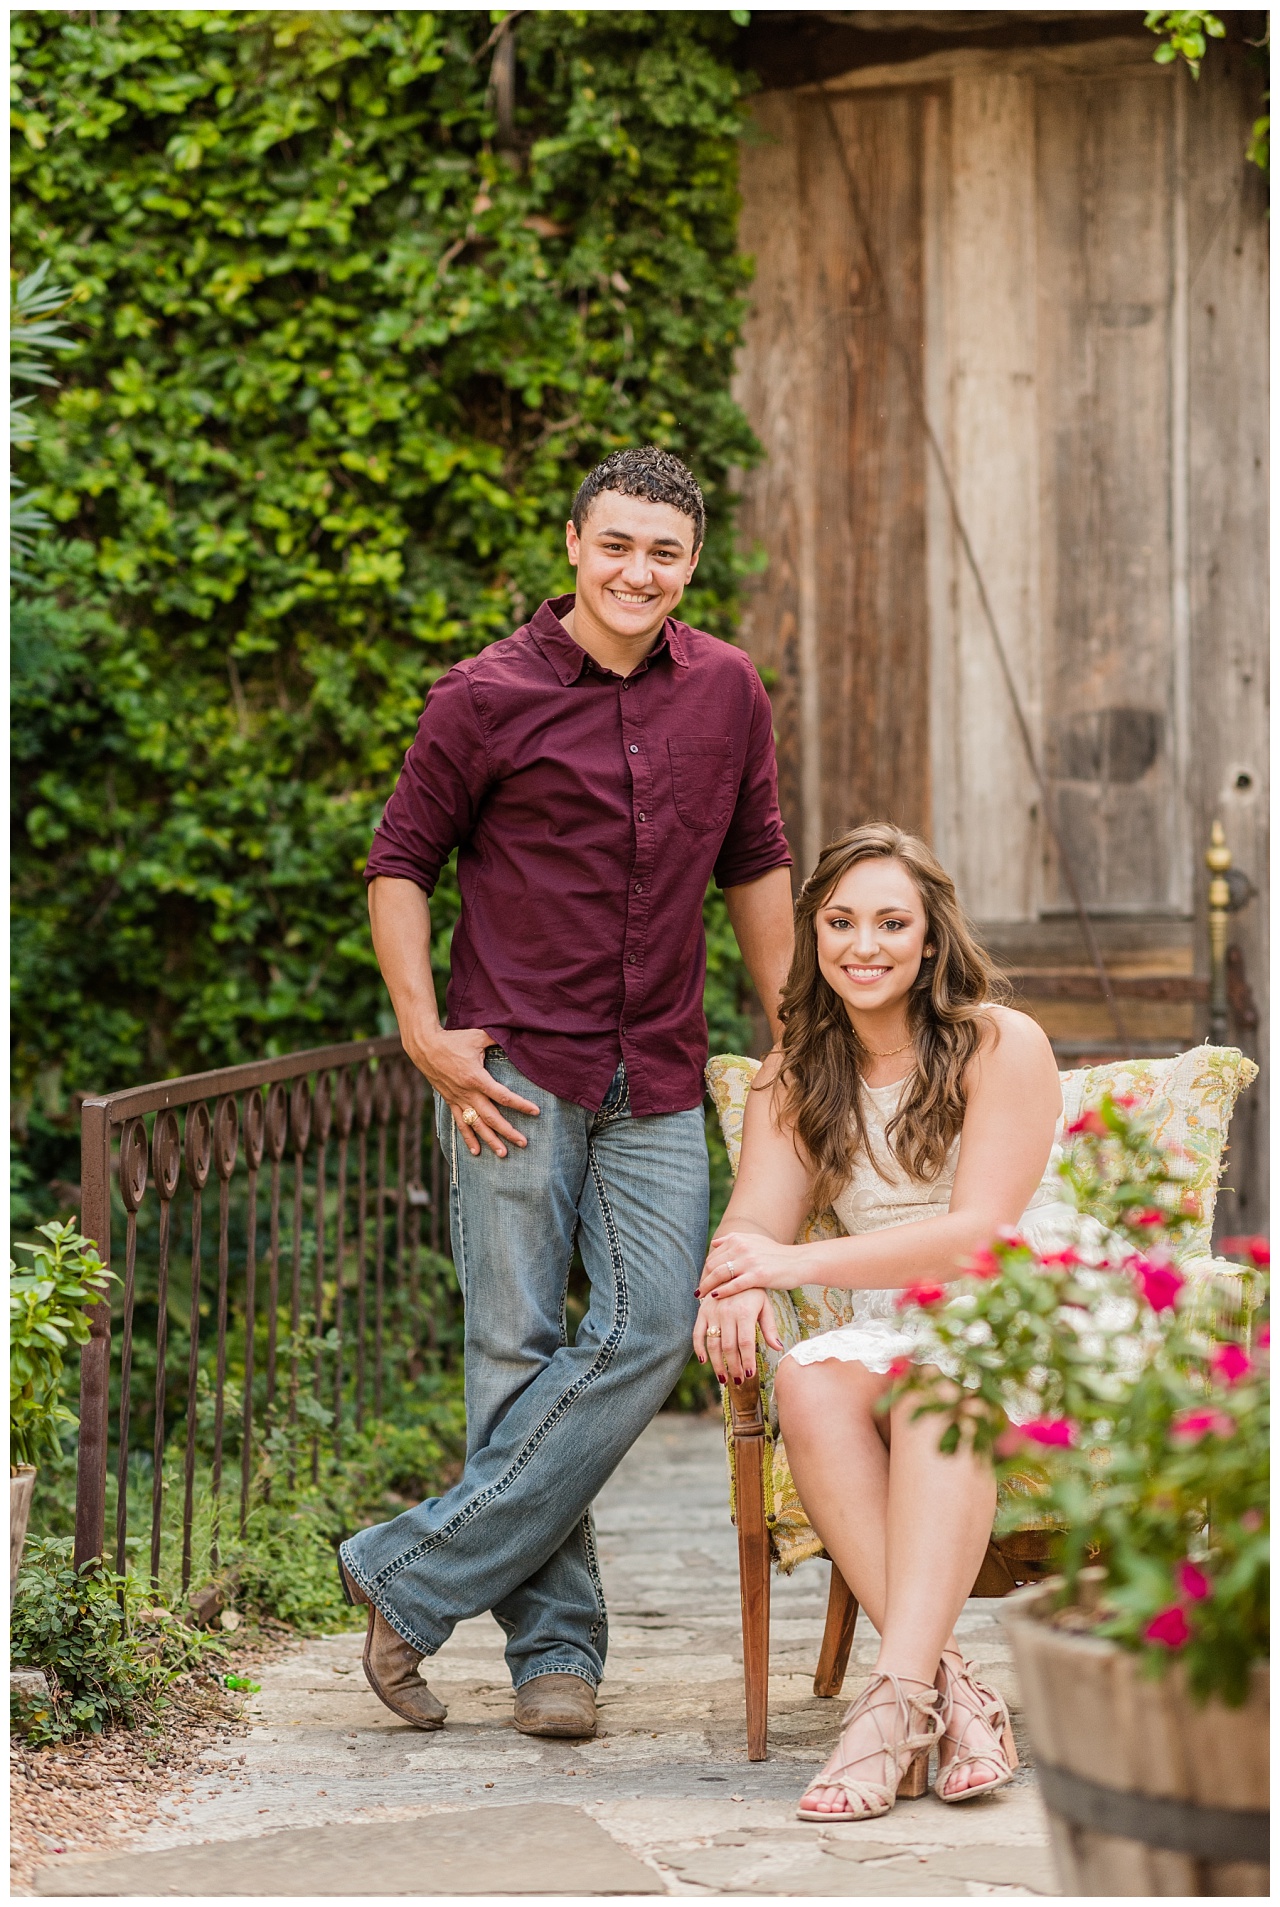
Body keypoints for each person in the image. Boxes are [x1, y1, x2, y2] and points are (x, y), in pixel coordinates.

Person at [339, 445, 795, 1742]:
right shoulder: (481, 697)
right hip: (514, 1073)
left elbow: (757, 864)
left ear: (691, 562)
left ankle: (405, 1572)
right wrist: (427, 1035)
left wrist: (792, 1039)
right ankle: (557, 1652)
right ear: (573, 546)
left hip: (655, 1063)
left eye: (664, 551)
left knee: (655, 1325)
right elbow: (399, 863)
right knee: (514, 1347)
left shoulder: (727, 691)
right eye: (616, 545)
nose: (637, 571)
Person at [694, 823, 1074, 1821]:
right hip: (882, 1321)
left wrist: (786, 1264)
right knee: (806, 1379)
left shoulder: (1000, 1041)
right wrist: (735, 1279)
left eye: (890, 921)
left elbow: (978, 1235)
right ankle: (948, 1690)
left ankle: (889, 1706)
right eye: (840, 920)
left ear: (928, 938)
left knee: (937, 1390)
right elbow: (750, 1224)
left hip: (1003, 1309)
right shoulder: (795, 1076)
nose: (863, 943)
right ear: (813, 932)